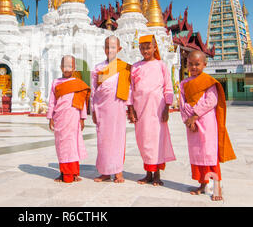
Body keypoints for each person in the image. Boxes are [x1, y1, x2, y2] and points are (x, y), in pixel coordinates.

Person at [179, 50, 236, 201]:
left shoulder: (208, 81)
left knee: (209, 155)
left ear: (205, 64)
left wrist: (195, 115)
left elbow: (211, 101)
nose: (193, 67)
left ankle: (217, 187)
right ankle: (202, 184)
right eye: (190, 64)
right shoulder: (184, 84)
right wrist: (187, 120)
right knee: (197, 154)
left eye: (197, 64)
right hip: (192, 125)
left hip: (206, 122)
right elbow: (182, 104)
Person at [129, 34, 175, 186]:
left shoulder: (161, 65)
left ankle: (157, 175)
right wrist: (131, 109)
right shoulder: (135, 67)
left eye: (148, 47)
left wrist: (167, 108)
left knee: (157, 141)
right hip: (140, 109)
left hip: (157, 109)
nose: (145, 51)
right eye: (142, 48)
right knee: (144, 141)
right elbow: (131, 89)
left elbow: (168, 87)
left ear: (155, 47)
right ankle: (148, 173)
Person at [91, 36, 134, 183]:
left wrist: (130, 108)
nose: (110, 50)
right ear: (104, 49)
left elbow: (129, 90)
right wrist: (93, 110)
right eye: (108, 47)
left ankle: (117, 171)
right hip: (102, 108)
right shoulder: (98, 68)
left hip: (118, 108)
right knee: (103, 140)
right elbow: (94, 91)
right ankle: (104, 172)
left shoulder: (125, 67)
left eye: (114, 47)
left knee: (118, 139)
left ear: (119, 49)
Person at [47, 55, 90, 183]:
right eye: (64, 66)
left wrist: (82, 118)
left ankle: (74, 173)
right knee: (61, 145)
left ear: (74, 68)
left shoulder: (77, 83)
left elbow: (81, 101)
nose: (67, 69)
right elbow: (52, 101)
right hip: (59, 117)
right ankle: (62, 172)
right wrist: (50, 117)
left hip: (73, 117)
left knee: (72, 144)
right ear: (60, 67)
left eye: (69, 66)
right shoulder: (56, 82)